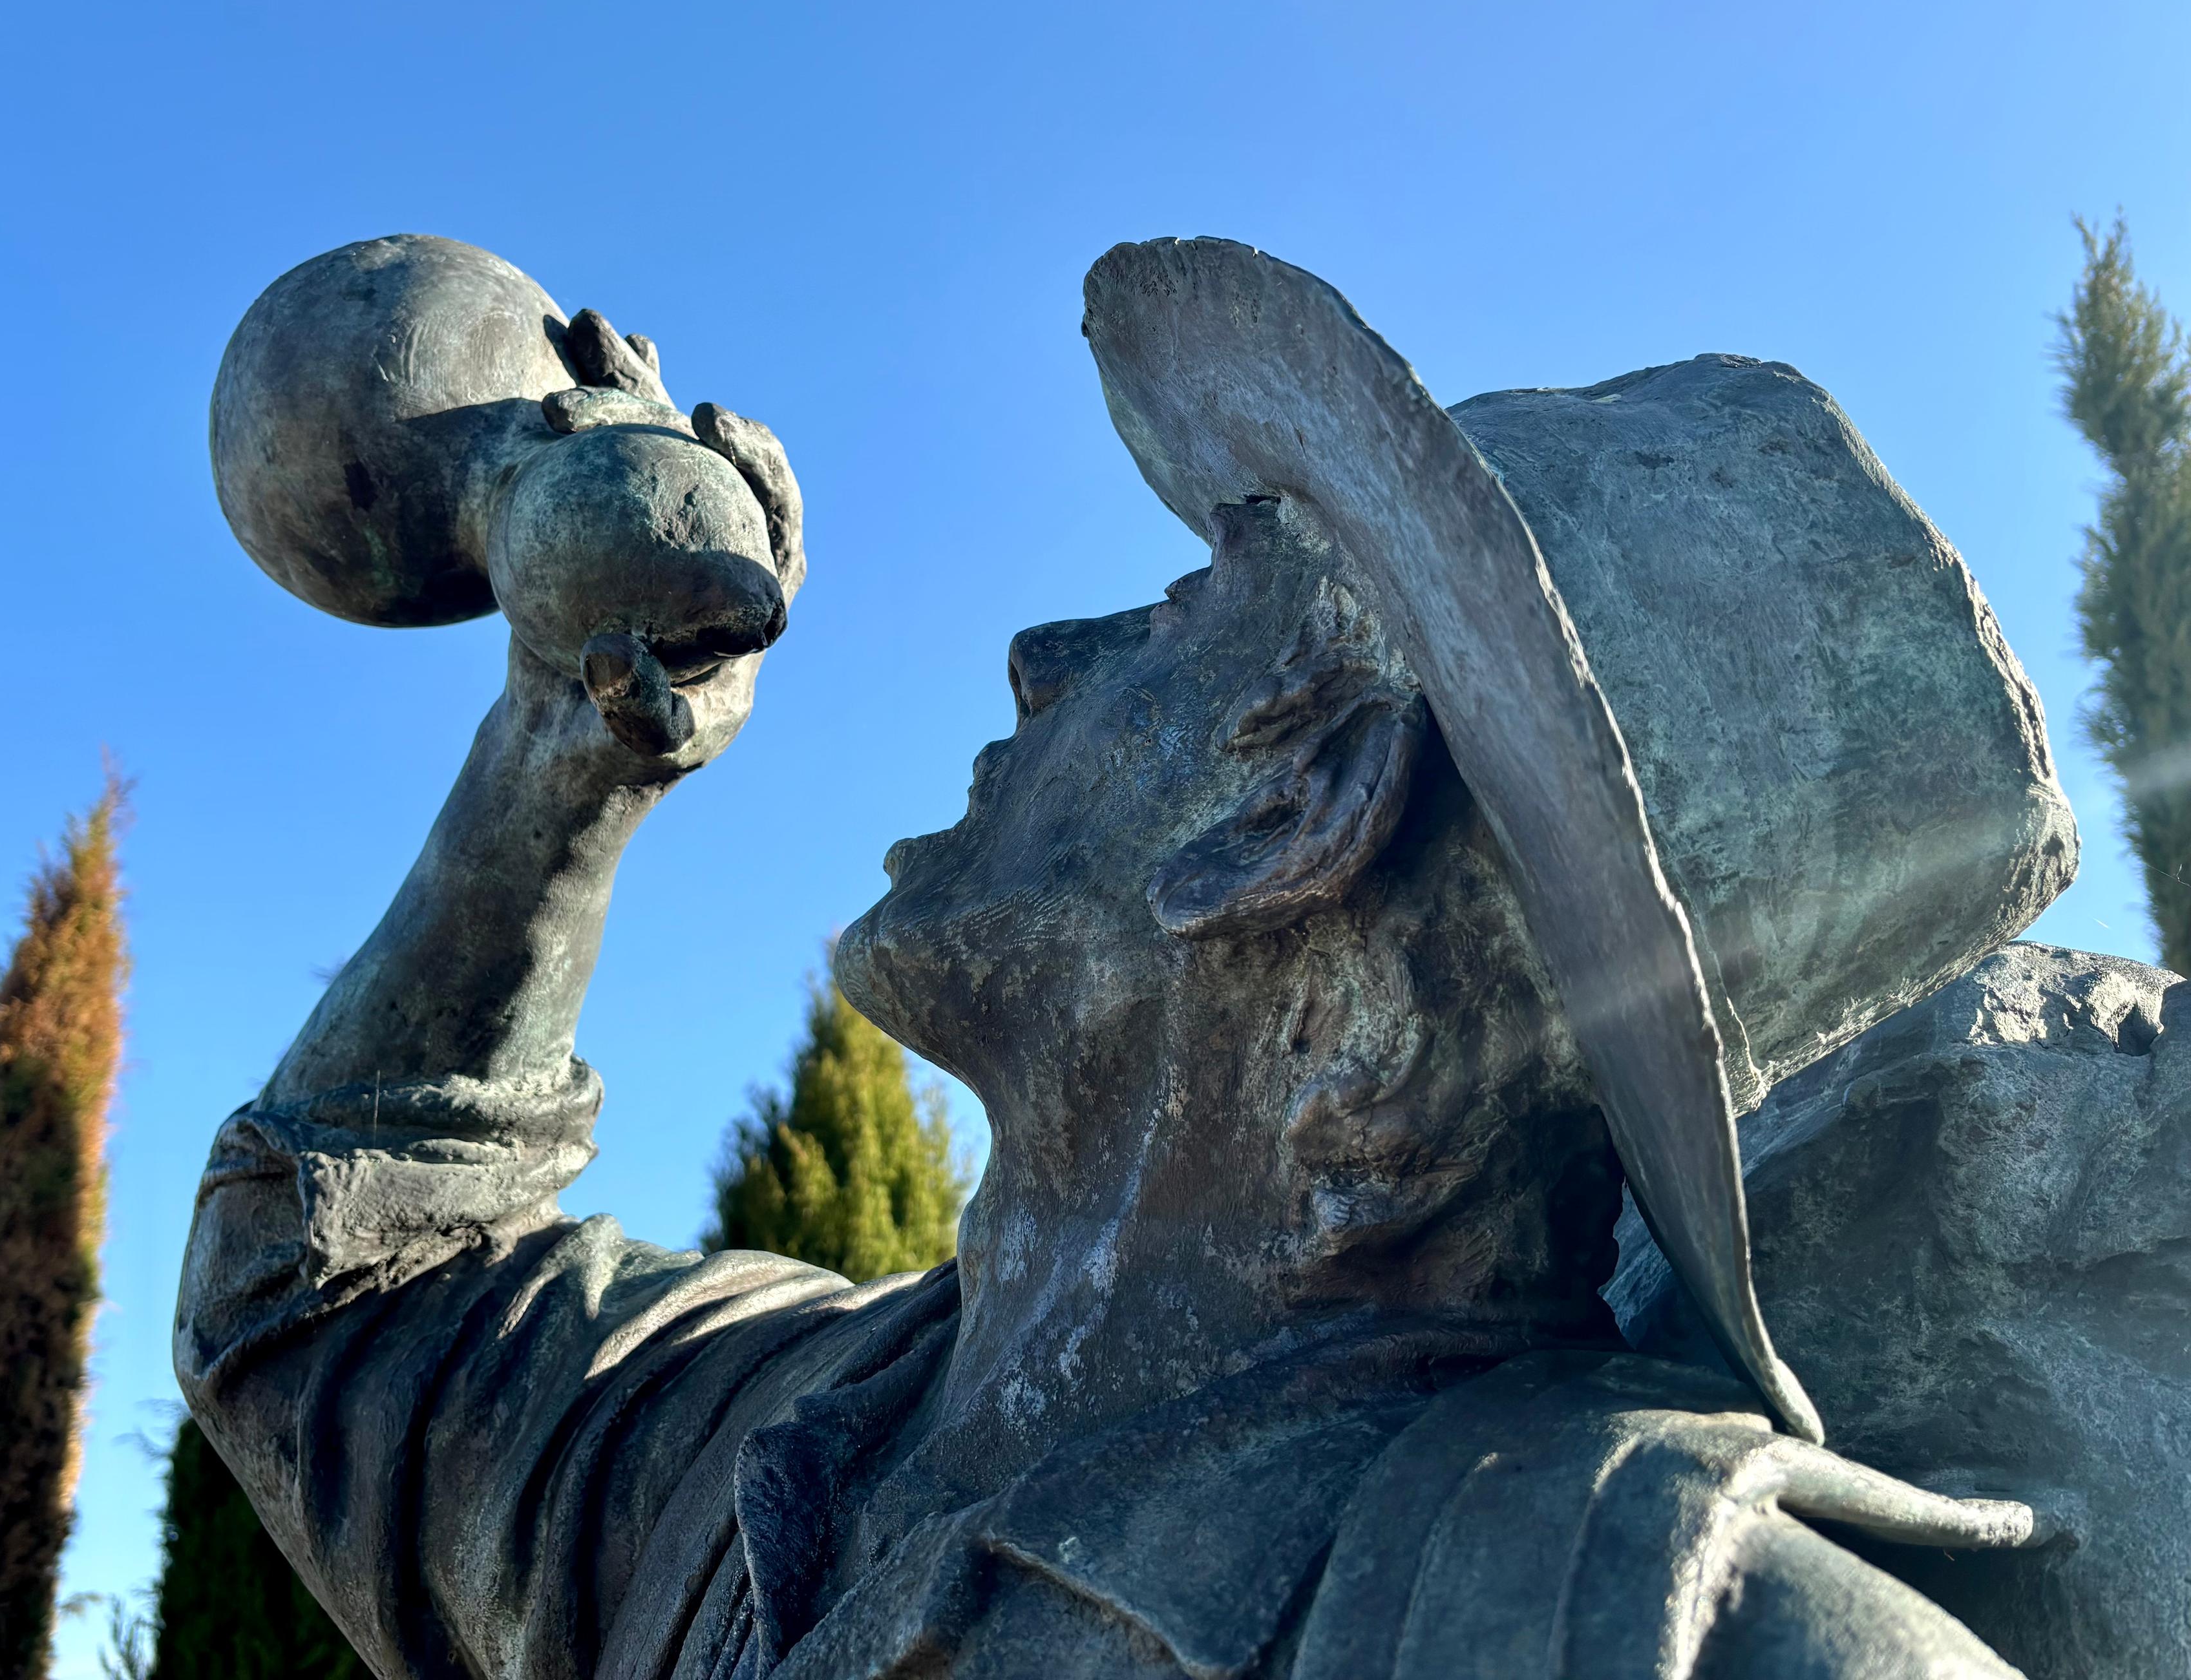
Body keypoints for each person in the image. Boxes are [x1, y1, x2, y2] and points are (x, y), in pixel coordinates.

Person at [179, 235, 2073, 1678]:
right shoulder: (785, 1436)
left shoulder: (1670, 1637)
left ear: (1303, 814)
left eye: (1180, 614)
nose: (1042, 656)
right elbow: (325, 1296)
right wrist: (566, 752)